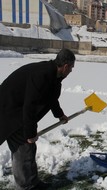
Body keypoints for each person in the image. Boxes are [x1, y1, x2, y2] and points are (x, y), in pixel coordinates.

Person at [0, 48, 75, 190]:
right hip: (8, 111)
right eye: (71, 67)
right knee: (24, 147)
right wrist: (30, 133)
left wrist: (59, 114)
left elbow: (51, 97)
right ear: (66, 66)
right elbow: (30, 106)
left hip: (15, 110)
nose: (71, 71)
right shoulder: (42, 75)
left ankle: (30, 182)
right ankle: (27, 185)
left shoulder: (53, 75)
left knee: (26, 148)